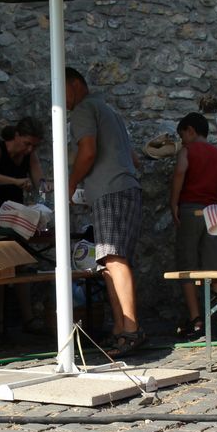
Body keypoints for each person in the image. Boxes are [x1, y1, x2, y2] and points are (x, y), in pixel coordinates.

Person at [65, 67, 146, 358]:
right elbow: (134, 159)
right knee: (111, 262)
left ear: (75, 85)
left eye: (62, 90)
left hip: (111, 191)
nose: (61, 99)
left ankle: (130, 331)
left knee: (113, 259)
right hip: (126, 188)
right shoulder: (109, 111)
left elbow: (87, 151)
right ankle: (120, 329)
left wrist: (70, 184)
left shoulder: (84, 109)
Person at [0, 117, 49, 339]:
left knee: (21, 263)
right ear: (16, 136)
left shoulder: (30, 156)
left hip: (15, 218)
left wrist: (52, 187)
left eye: (34, 145)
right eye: (26, 143)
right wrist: (14, 181)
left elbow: (41, 182)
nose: (29, 149)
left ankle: (28, 319)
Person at [168, 112, 217, 338]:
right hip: (215, 213)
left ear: (190, 130)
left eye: (182, 136)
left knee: (187, 264)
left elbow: (180, 173)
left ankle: (196, 320)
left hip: (191, 210)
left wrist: (173, 203)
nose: (182, 141)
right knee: (216, 266)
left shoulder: (187, 151)